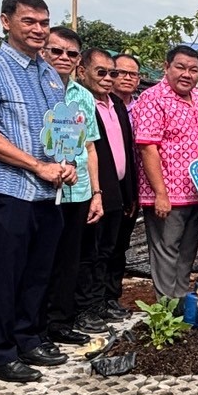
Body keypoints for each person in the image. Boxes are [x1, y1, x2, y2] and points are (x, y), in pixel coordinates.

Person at [0, 0, 76, 383]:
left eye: (44, 23)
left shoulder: (50, 73)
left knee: (39, 271)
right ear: (5, 21)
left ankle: (29, 338)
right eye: (29, 21)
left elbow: (60, 129)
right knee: (7, 274)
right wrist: (37, 166)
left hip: (48, 192)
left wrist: (66, 163)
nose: (38, 29)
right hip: (7, 188)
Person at [132, 44, 198, 301]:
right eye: (180, 67)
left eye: (193, 70)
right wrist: (160, 193)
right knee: (166, 251)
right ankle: (166, 310)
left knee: (187, 252)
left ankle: (182, 306)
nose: (187, 74)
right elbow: (148, 148)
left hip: (196, 193)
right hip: (166, 193)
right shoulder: (152, 99)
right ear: (166, 67)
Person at [39, 26, 105, 344]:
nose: (63, 57)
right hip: (41, 189)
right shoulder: (33, 89)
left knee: (70, 260)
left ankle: (60, 322)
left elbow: (90, 148)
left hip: (77, 192)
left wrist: (96, 193)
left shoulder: (83, 97)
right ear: (43, 52)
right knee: (41, 260)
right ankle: (35, 326)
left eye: (71, 53)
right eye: (56, 51)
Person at [81, 48, 139, 321]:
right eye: (101, 72)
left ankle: (109, 297)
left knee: (115, 249)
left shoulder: (117, 105)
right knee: (93, 252)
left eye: (111, 73)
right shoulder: (82, 104)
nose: (108, 78)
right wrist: (97, 192)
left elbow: (127, 151)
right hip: (96, 191)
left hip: (120, 190)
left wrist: (130, 193)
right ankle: (90, 305)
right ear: (83, 72)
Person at [103, 52, 143, 316]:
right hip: (105, 187)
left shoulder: (141, 109)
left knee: (120, 246)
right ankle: (95, 300)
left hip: (131, 186)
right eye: (121, 73)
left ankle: (111, 296)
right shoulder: (101, 106)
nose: (127, 78)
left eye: (133, 74)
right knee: (101, 247)